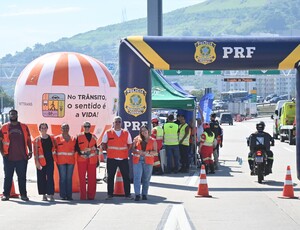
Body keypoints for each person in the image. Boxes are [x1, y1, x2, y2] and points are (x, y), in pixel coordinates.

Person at [0, 109, 32, 201]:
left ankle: (23, 195)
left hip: (22, 157)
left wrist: (30, 151)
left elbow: (29, 139)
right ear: (9, 116)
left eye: (14, 114)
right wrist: (2, 152)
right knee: (8, 177)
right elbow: (0, 141)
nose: (12, 115)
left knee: (22, 177)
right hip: (8, 157)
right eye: (11, 114)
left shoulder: (24, 126)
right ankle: (6, 194)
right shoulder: (4, 127)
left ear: (17, 115)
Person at [101, 116, 133, 200]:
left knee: (126, 177)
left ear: (121, 123)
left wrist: (124, 151)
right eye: (116, 122)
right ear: (113, 123)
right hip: (112, 158)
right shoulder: (108, 132)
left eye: (119, 121)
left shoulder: (126, 132)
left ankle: (127, 194)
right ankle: (110, 194)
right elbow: (103, 143)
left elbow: (130, 144)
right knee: (110, 177)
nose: (118, 123)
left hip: (123, 158)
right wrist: (108, 151)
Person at [132, 125, 157, 201]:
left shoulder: (153, 140)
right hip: (138, 160)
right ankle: (137, 195)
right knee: (137, 178)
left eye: (145, 130)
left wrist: (148, 152)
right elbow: (132, 149)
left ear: (148, 131)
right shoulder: (136, 139)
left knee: (146, 178)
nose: (144, 132)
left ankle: (144, 194)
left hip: (148, 160)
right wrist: (137, 151)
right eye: (142, 131)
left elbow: (155, 151)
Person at [75, 121, 98, 200]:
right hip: (82, 159)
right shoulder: (79, 136)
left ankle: (91, 196)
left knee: (92, 178)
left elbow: (96, 148)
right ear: (83, 127)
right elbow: (76, 148)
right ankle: (83, 196)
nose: (87, 128)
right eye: (85, 126)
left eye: (88, 126)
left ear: (90, 127)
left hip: (92, 160)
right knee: (82, 178)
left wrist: (97, 160)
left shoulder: (94, 137)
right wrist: (81, 154)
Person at [53, 123, 76, 200]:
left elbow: (76, 149)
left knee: (69, 178)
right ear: (61, 129)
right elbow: (53, 150)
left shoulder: (73, 139)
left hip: (70, 161)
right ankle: (63, 195)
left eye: (66, 128)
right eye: (63, 128)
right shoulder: (57, 139)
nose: (65, 129)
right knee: (62, 178)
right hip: (61, 162)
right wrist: (56, 160)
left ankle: (69, 195)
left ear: (69, 129)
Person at [33, 123, 55, 201]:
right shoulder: (36, 140)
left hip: (50, 161)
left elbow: (55, 148)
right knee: (41, 178)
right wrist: (37, 163)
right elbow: (35, 153)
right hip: (41, 162)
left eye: (45, 128)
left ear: (47, 129)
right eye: (42, 128)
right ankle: (44, 195)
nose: (43, 129)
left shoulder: (51, 138)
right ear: (39, 129)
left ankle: (51, 195)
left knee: (50, 178)